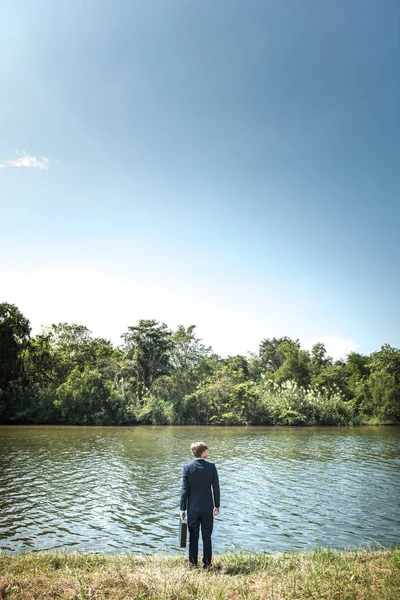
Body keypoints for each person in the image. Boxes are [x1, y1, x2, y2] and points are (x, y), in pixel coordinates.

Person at [180, 441, 220, 568]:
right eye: (206, 451)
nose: (207, 453)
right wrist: (217, 505)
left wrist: (183, 508)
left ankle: (193, 563)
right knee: (207, 536)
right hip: (208, 507)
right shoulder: (211, 467)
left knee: (193, 536)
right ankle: (207, 564)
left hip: (193, 508)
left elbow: (184, 490)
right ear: (202, 452)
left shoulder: (187, 468)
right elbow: (216, 488)